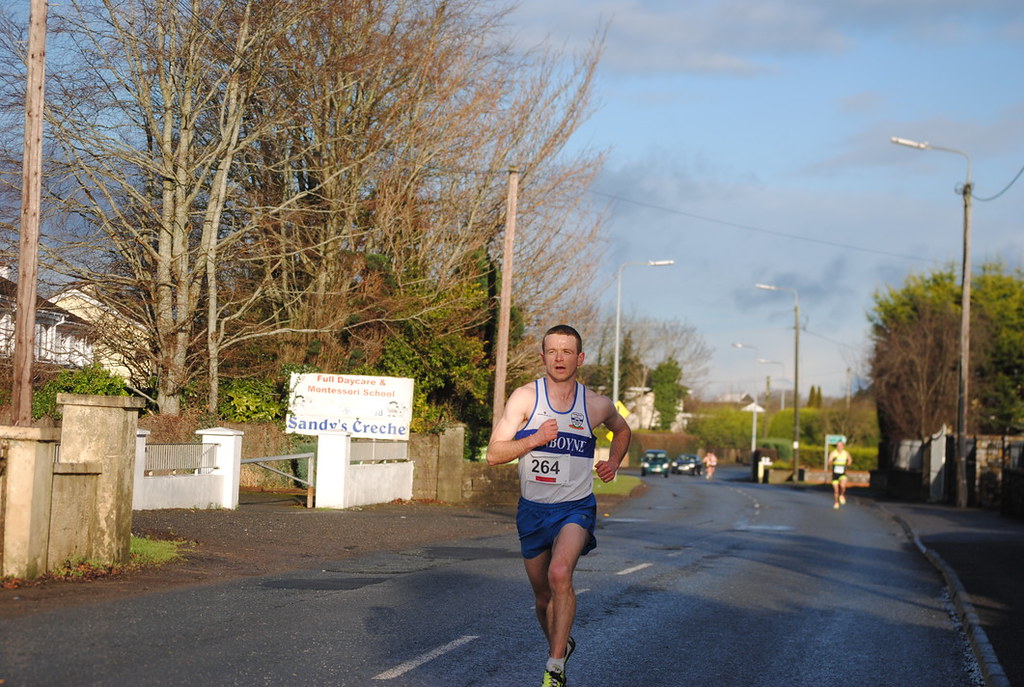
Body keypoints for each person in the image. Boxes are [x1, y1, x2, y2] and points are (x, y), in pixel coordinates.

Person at [487, 324, 631, 687]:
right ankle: (561, 645)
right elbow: (493, 454)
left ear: (579, 358)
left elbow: (623, 429)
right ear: (543, 357)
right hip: (533, 510)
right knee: (541, 598)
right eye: (552, 351)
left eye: (567, 351)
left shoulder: (596, 405)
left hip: (575, 508)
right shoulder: (524, 399)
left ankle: (554, 669)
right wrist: (536, 438)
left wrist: (614, 461)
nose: (559, 358)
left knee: (559, 574)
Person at [827, 440, 852, 508]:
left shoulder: (845, 453)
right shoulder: (833, 453)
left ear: (843, 446)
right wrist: (832, 461)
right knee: (836, 490)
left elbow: (850, 460)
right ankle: (836, 502)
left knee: (843, 486)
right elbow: (829, 462)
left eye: (840, 446)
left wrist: (848, 464)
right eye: (838, 446)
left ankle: (842, 495)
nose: (839, 447)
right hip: (835, 474)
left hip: (842, 473)